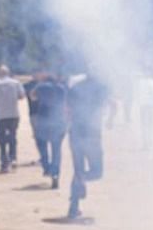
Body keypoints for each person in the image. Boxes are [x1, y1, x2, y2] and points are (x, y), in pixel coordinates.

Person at [66, 73, 107, 218]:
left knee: (78, 170)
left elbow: (67, 110)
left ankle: (73, 207)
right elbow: (104, 108)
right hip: (92, 134)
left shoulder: (75, 87)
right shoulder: (101, 88)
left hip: (75, 132)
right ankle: (82, 179)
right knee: (97, 171)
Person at [30, 73, 68, 189]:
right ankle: (55, 174)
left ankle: (46, 167)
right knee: (56, 150)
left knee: (41, 144)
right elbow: (67, 104)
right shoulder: (62, 88)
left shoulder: (41, 86)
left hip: (43, 120)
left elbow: (32, 97)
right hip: (59, 121)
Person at [0, 65, 23, 172]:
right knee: (13, 136)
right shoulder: (16, 83)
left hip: (0, 115)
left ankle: (4, 162)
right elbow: (21, 96)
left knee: (1, 140)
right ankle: (13, 158)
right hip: (14, 114)